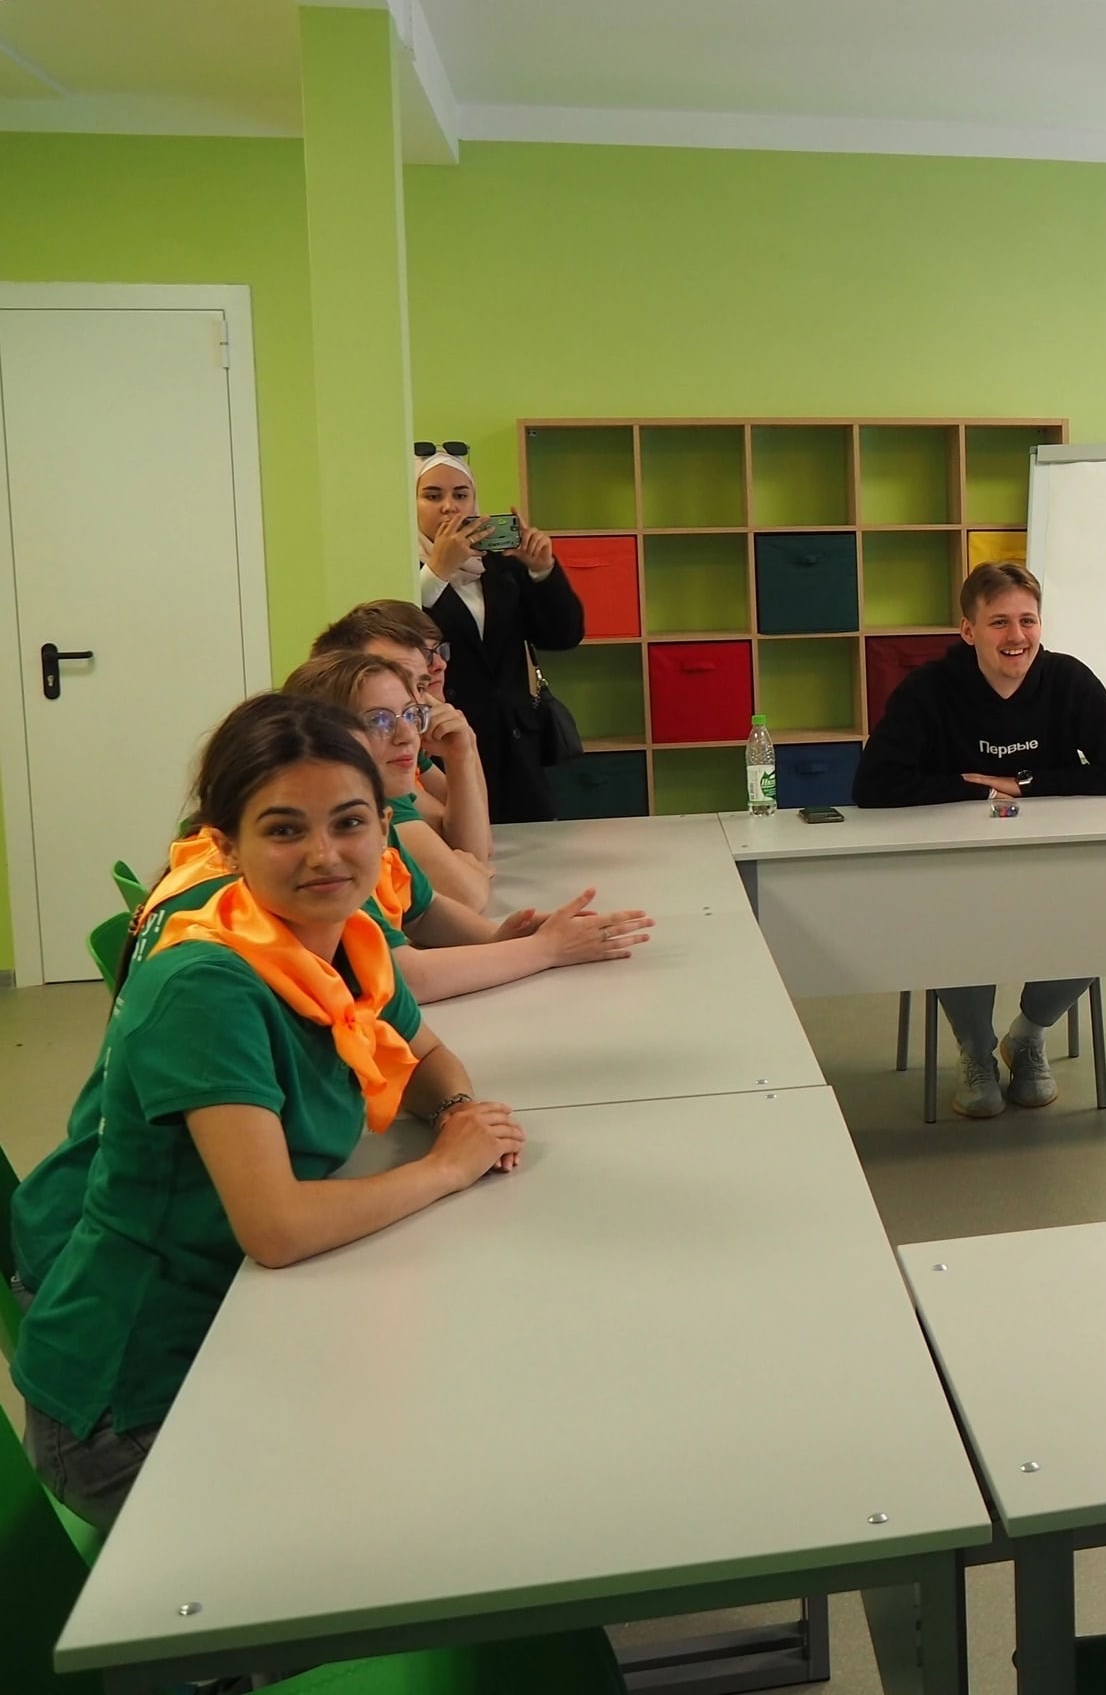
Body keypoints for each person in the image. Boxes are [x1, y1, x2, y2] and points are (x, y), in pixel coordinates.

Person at [9, 695, 526, 1529]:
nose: (325, 855)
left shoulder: (345, 940)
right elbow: (277, 1228)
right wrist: (445, 1167)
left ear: (384, 829)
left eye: (350, 822)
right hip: (134, 1405)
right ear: (225, 846)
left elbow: (427, 1058)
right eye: (285, 830)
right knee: (428, 1510)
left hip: (243, 1330)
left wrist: (460, 1110)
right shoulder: (207, 984)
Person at [854, 561, 1106, 1118]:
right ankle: (975, 1050)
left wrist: (1024, 784)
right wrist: (979, 792)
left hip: (1053, 861)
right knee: (953, 924)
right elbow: (873, 786)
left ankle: (1029, 1034)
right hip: (956, 868)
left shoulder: (1068, 680)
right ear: (969, 631)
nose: (1017, 637)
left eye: (1027, 621)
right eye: (999, 623)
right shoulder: (929, 689)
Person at [283, 651, 650, 1000]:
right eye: (378, 721)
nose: (406, 735)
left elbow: (425, 913)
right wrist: (545, 949)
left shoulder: (378, 821)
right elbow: (405, 978)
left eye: (411, 715)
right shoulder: (331, 847)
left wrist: (509, 938)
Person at [415, 444, 584, 823]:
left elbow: (564, 635)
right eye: (433, 496)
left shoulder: (500, 567)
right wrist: (437, 572)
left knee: (534, 848)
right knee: (458, 841)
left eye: (461, 495)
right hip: (442, 744)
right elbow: (397, 638)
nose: (449, 507)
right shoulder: (401, 571)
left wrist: (542, 571)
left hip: (515, 745)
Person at [311, 599, 489, 868]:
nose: (439, 665)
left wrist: (463, 751)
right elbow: (470, 856)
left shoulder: (402, 746)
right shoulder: (370, 760)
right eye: (398, 678)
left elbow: (474, 842)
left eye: (418, 685)